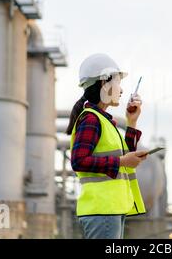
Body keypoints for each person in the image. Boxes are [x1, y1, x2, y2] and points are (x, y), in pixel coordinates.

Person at [66, 53, 148, 239]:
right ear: (105, 84)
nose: (121, 89)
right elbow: (78, 161)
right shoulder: (91, 120)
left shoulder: (102, 120)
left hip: (110, 209)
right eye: (118, 82)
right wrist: (122, 161)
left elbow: (125, 156)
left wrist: (131, 121)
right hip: (103, 209)